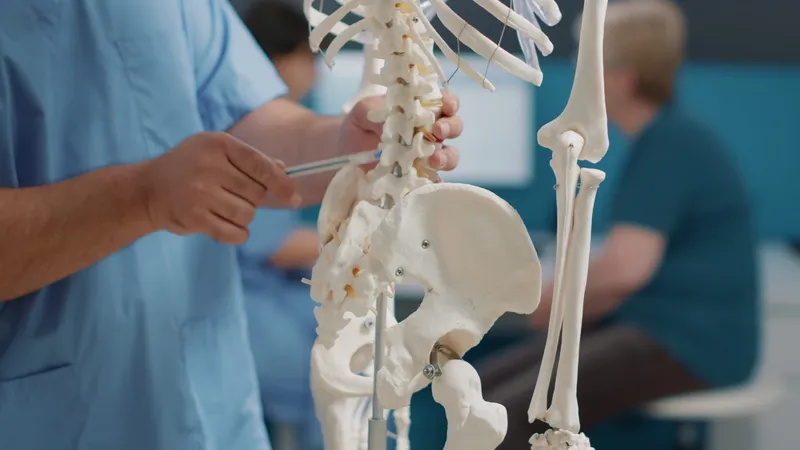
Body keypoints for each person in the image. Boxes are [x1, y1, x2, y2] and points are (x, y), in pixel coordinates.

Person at [0, 2, 462, 450]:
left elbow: (248, 125)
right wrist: (139, 197)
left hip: (214, 404)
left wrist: (346, 146)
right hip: (55, 414)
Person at [476, 2, 759, 450]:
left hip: (691, 344)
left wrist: (536, 307)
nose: (575, 73)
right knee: (485, 389)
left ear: (622, 80)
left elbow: (626, 270)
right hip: (658, 328)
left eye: (587, 64)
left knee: (507, 414)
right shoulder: (667, 138)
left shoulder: (670, 145)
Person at [239, 1, 325, 448]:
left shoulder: (280, 131)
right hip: (245, 305)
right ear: (280, 60)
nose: (315, 72)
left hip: (277, 296)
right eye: (309, 59)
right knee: (333, 371)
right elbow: (268, 243)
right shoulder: (248, 132)